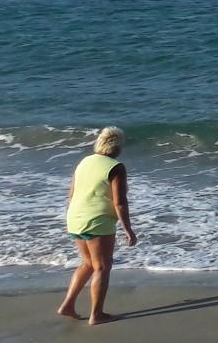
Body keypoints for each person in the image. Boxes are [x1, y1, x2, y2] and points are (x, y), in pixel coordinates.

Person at [58, 126, 137, 326]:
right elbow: (119, 202)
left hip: (75, 217)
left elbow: (71, 193)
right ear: (117, 146)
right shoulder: (115, 167)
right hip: (97, 221)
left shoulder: (85, 161)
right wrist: (128, 229)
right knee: (102, 266)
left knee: (88, 264)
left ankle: (68, 305)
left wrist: (74, 215)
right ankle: (97, 314)